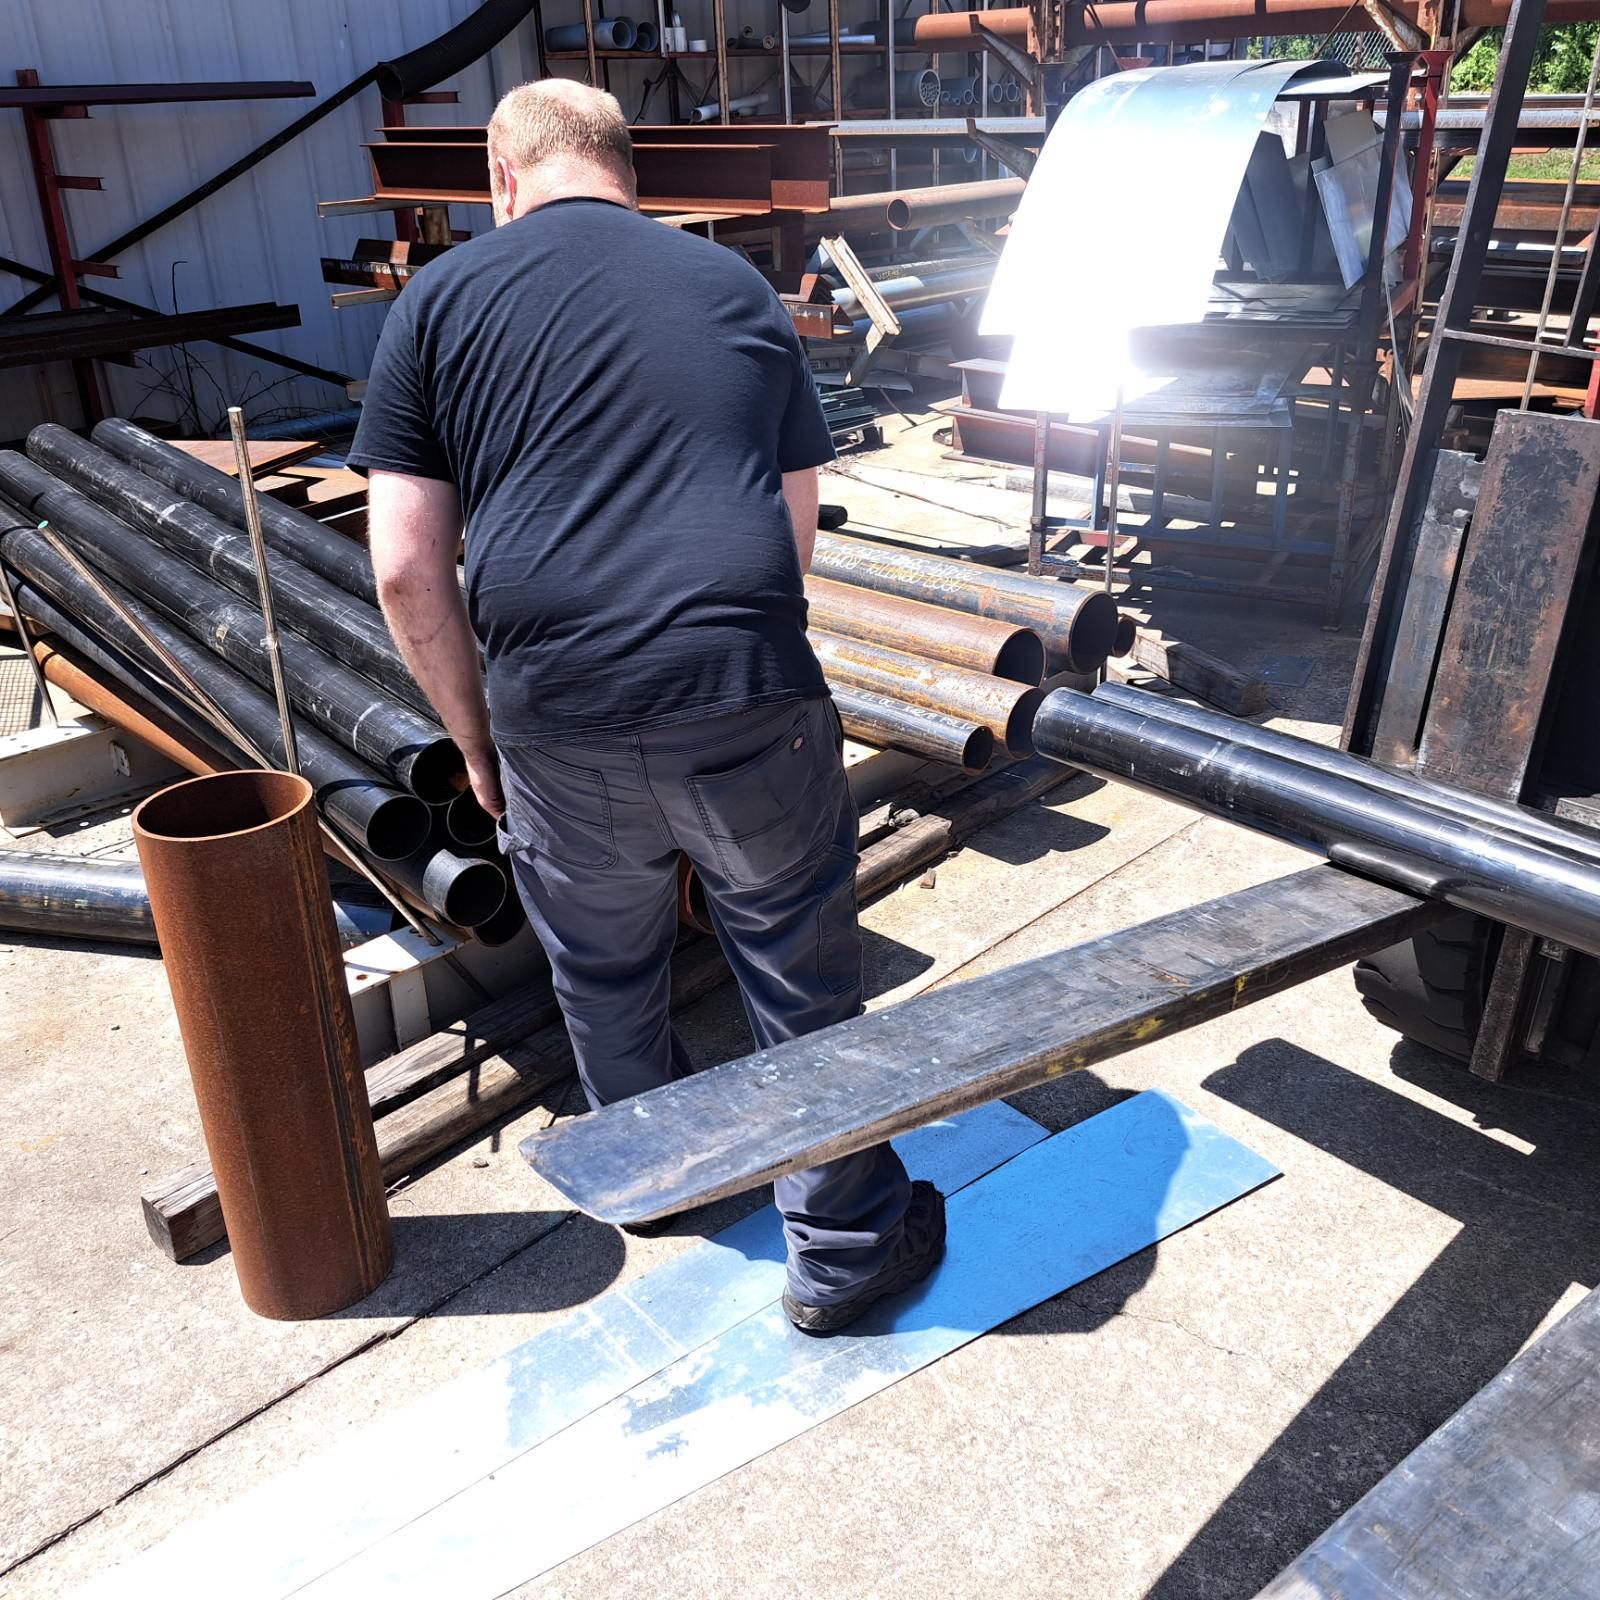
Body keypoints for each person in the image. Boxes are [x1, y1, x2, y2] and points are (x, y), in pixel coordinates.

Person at [350, 78, 944, 1334]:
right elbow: (793, 528)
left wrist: (474, 738)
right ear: (630, 174)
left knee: (606, 965)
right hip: (741, 693)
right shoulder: (729, 288)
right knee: (795, 966)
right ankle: (841, 1252)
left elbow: (404, 565)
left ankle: (664, 1181)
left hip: (552, 710)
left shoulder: (439, 305)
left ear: (498, 183)